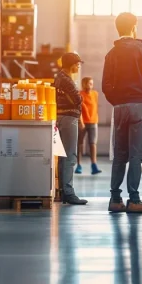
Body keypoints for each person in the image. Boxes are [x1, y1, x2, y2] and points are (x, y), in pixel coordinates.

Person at [101, 12, 142, 213]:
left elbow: (106, 86)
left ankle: (115, 199)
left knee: (120, 154)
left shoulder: (111, 54)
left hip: (119, 108)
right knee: (136, 155)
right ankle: (134, 200)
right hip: (138, 106)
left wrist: (117, 101)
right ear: (134, 26)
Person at [52, 53, 88, 205]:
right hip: (68, 120)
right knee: (70, 156)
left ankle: (62, 191)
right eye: (77, 63)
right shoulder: (66, 80)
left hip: (61, 118)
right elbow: (78, 99)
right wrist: (79, 98)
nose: (79, 66)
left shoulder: (59, 77)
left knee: (62, 156)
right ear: (70, 64)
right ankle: (68, 192)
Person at [77, 77, 102, 175]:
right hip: (83, 122)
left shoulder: (95, 94)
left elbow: (95, 107)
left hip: (93, 121)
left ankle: (94, 165)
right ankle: (78, 165)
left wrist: (95, 119)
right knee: (80, 143)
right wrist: (81, 121)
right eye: (89, 84)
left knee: (93, 143)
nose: (90, 86)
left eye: (92, 84)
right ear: (84, 84)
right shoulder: (79, 94)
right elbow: (79, 109)